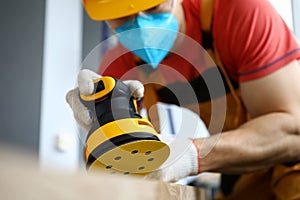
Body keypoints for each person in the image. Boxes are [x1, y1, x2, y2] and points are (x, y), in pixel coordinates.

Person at [66, 0, 300, 199]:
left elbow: (292, 132)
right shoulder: (121, 65)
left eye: (154, 7)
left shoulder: (238, 12)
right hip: (242, 170)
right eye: (121, 17)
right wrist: (101, 123)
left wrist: (187, 155)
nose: (141, 24)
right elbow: (116, 162)